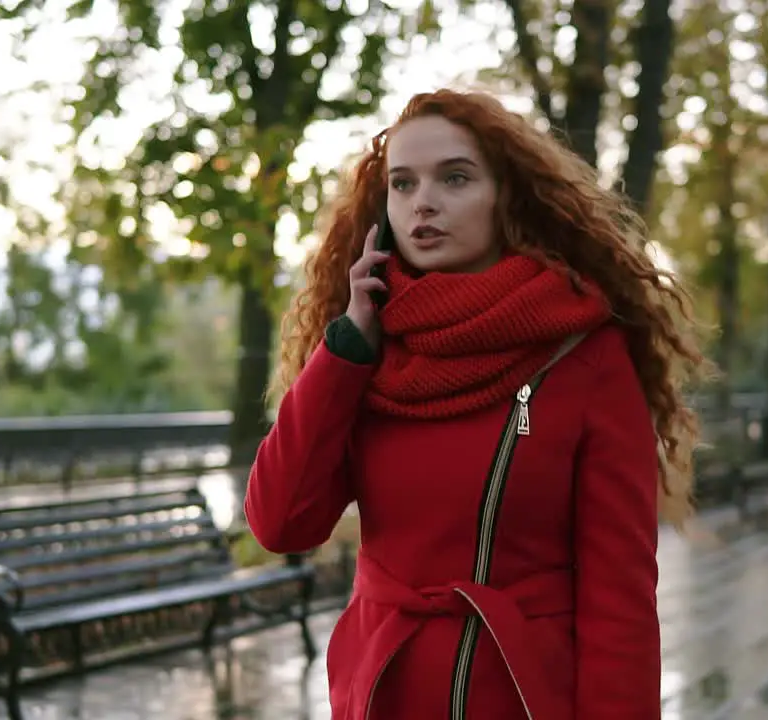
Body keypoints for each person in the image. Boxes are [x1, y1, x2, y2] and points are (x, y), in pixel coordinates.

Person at [244, 89, 704, 720]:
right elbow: (279, 523)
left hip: (520, 696)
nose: (422, 202)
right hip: (381, 694)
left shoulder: (584, 354)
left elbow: (619, 599)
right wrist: (345, 350)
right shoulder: (366, 354)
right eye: (401, 185)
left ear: (505, 197)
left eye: (454, 178)